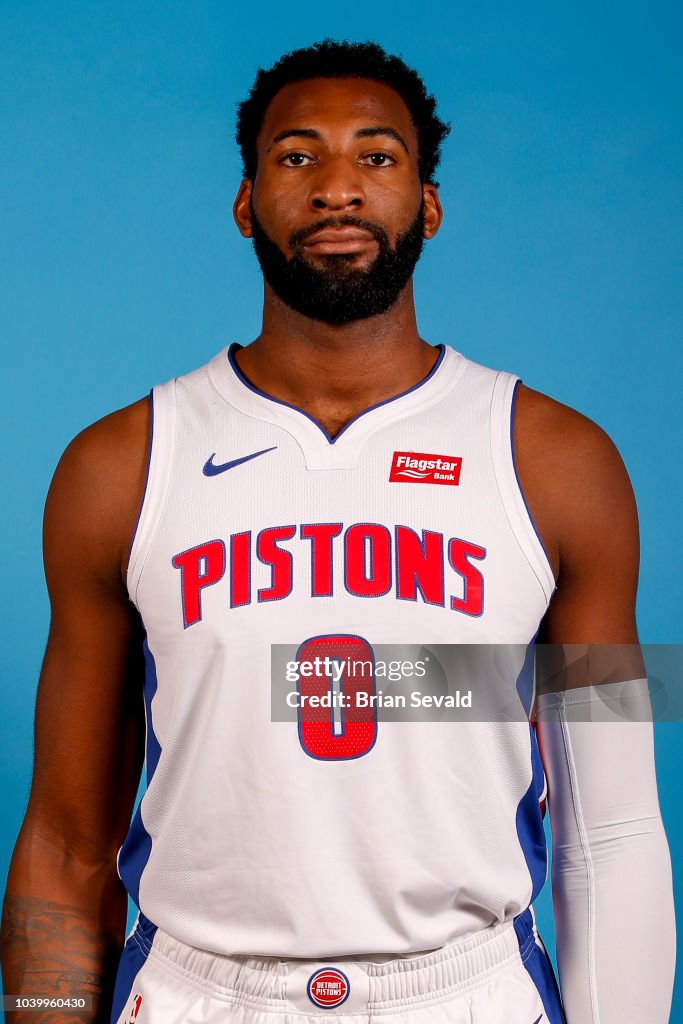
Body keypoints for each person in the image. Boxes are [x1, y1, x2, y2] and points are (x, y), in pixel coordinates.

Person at [1, 39, 675, 1024]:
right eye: (295, 156)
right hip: (200, 992)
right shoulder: (119, 467)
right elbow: (64, 842)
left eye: (376, 156)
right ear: (243, 202)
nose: (336, 187)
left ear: (428, 203)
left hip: (463, 991)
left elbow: (609, 828)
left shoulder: (559, 462)